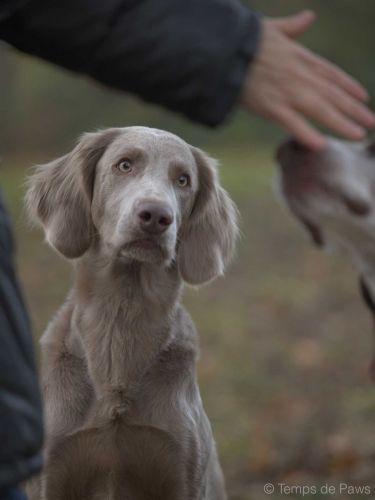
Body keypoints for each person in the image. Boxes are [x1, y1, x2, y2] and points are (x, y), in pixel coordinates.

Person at [0, 1, 374, 498]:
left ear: (194, 213)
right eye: (126, 167)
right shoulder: (55, 387)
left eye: (181, 182)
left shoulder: (176, 392)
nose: (156, 206)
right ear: (84, 193)